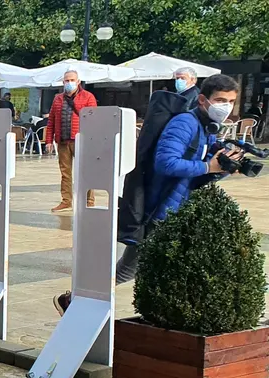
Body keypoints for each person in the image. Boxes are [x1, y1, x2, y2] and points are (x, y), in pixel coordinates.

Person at [53, 74, 243, 314]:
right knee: (131, 268)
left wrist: (222, 169)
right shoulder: (185, 123)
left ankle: (79, 301)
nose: (225, 106)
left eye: (231, 101)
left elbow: (198, 170)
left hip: (174, 206)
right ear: (203, 99)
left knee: (144, 266)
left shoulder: (206, 128)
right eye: (220, 100)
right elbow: (166, 163)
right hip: (158, 209)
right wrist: (208, 167)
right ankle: (76, 301)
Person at [46, 70, 97, 213]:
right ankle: (66, 201)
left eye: (72, 80)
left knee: (86, 171)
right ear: (63, 82)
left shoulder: (88, 97)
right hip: (62, 141)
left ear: (78, 81)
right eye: (67, 80)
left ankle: (89, 201)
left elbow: (93, 120)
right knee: (65, 173)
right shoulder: (57, 99)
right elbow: (51, 121)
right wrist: (49, 140)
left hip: (82, 141)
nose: (69, 83)